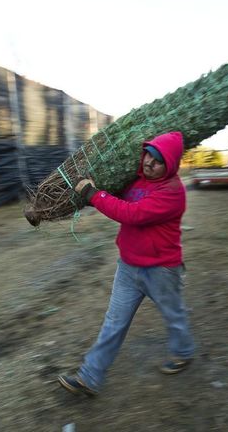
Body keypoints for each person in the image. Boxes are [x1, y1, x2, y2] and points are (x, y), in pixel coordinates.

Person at [58, 131, 195, 396]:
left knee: (174, 314)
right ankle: (90, 376)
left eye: (157, 161)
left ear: (170, 166)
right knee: (114, 322)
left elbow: (131, 214)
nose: (148, 163)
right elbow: (116, 197)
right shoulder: (135, 181)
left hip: (161, 270)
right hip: (129, 267)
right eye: (148, 155)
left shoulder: (173, 191)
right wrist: (92, 188)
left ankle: (183, 351)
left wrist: (92, 193)